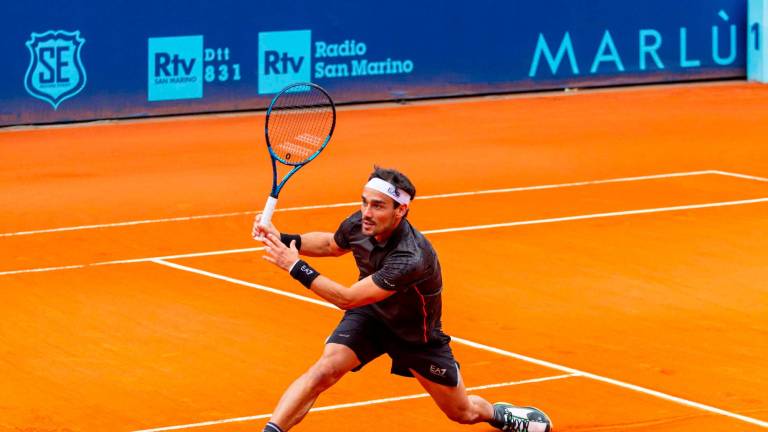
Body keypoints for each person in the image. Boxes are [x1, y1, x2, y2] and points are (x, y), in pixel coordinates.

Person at [254, 166, 552, 432]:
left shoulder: (411, 257)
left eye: (378, 206)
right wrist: (283, 238)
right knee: (325, 370)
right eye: (364, 202)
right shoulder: (361, 222)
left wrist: (294, 265)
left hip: (414, 335)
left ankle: (499, 415)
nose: (367, 212)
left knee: (463, 412)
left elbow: (347, 298)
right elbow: (332, 244)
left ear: (401, 211)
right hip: (371, 315)